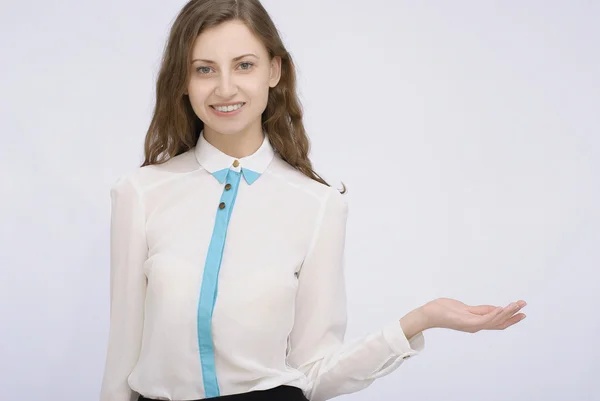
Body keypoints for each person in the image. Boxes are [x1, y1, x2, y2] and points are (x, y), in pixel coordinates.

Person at [99, 1, 527, 400]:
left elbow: (315, 372)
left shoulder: (318, 205)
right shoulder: (140, 194)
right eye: (205, 69)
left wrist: (420, 320)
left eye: (244, 65)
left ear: (274, 70)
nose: (225, 88)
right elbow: (121, 362)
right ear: (183, 81)